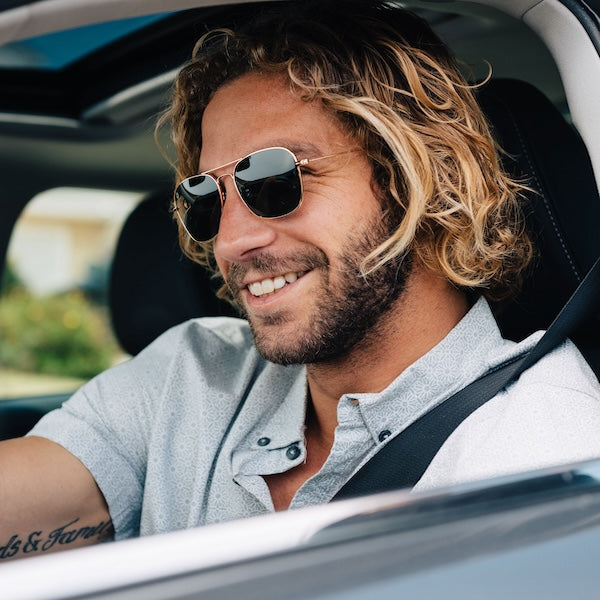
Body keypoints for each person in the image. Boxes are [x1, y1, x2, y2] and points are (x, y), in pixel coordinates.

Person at [2, 0, 600, 560]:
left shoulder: (544, 458)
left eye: (274, 179)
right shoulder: (189, 377)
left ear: (420, 179)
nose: (231, 241)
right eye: (206, 198)